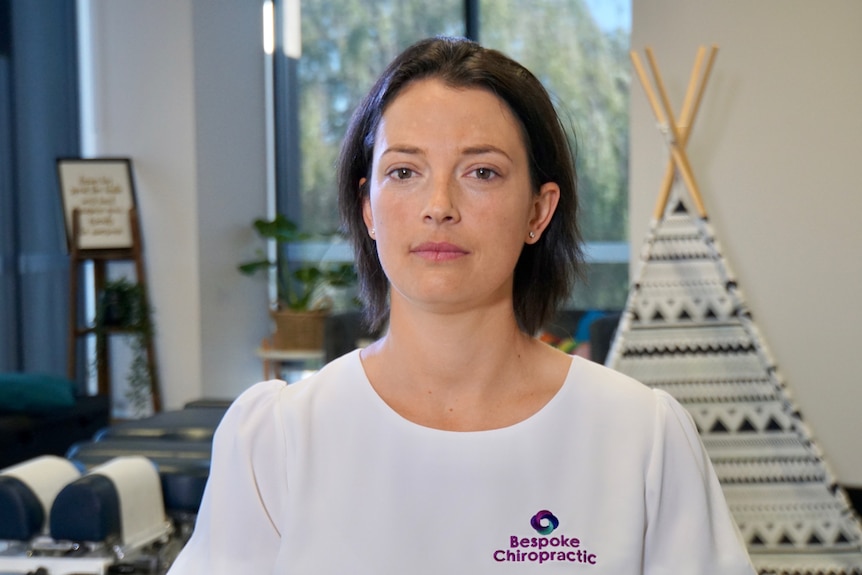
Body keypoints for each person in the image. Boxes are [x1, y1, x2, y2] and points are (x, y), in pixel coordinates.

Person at [167, 36, 756, 574]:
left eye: (481, 172)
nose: (439, 205)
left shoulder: (641, 436)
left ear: (538, 211)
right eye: (404, 170)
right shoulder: (277, 438)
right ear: (368, 207)